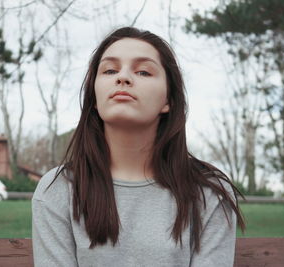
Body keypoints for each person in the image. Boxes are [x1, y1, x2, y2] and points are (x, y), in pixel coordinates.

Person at [32, 27, 246, 267]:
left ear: (168, 100)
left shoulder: (210, 193)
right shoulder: (58, 190)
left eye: (143, 71)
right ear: (94, 99)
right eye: (110, 70)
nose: (122, 78)